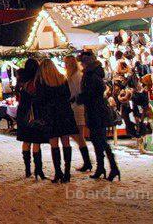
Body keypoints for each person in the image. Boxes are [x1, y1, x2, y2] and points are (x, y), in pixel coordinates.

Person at [77, 51, 121, 181]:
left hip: (96, 111)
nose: (81, 64)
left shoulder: (91, 75)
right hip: (95, 110)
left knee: (101, 140)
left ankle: (113, 168)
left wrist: (80, 98)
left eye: (82, 62)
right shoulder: (93, 73)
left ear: (86, 63)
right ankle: (102, 167)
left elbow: (91, 93)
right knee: (97, 140)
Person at [35, 58, 79, 183]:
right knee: (66, 142)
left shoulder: (41, 82)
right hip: (64, 113)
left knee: (54, 144)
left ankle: (58, 172)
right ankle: (67, 172)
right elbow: (68, 95)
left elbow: (40, 100)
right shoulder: (62, 79)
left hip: (51, 115)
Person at [15, 58, 47, 179]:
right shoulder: (37, 82)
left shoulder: (22, 81)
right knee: (36, 141)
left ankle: (28, 170)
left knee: (26, 141)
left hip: (23, 113)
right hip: (35, 114)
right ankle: (38, 170)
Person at [63, 56, 92, 172]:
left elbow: (79, 92)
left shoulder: (76, 76)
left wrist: (73, 99)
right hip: (76, 107)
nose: (65, 65)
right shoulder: (74, 75)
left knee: (77, 135)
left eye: (66, 63)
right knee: (78, 135)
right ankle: (87, 161)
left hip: (78, 108)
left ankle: (87, 161)